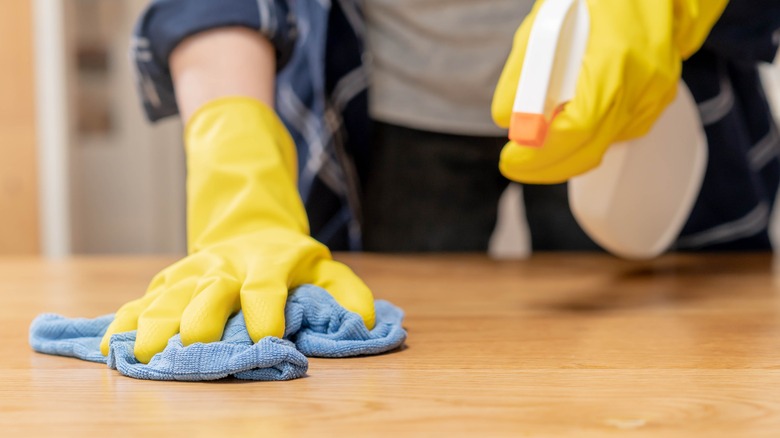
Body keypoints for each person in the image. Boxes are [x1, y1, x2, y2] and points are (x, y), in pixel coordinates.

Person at [100, 0, 780, 363]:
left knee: (669, 361)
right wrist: (234, 156)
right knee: (387, 373)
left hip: (625, 98)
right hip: (391, 108)